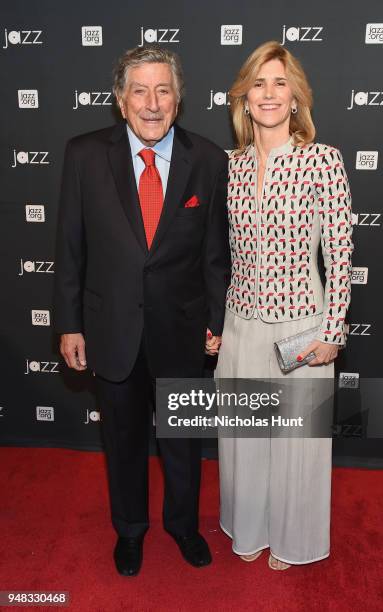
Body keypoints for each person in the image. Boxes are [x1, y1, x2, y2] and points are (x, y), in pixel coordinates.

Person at [54, 45, 229, 576]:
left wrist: (215, 321)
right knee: (124, 441)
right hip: (112, 328)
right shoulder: (84, 155)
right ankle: (129, 530)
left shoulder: (208, 159)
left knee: (182, 440)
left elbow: (215, 255)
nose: (151, 103)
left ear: (178, 99)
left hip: (182, 328)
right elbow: (69, 247)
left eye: (163, 90)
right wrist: (69, 325)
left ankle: (182, 525)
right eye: (139, 90)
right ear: (120, 99)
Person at [215, 41, 353, 570]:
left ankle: (294, 538)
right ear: (244, 99)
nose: (268, 93)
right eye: (258, 83)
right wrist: (214, 323)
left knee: (298, 442)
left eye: (279, 82)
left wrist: (332, 330)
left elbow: (340, 251)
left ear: (295, 96)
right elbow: (214, 255)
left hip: (302, 326)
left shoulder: (323, 160)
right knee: (246, 436)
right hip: (241, 323)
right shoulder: (227, 166)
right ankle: (250, 527)